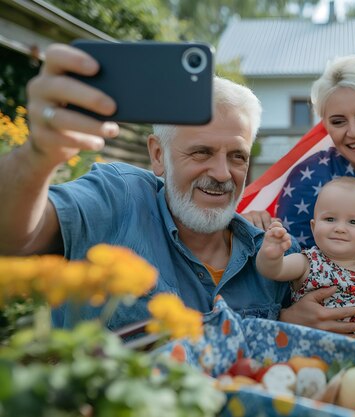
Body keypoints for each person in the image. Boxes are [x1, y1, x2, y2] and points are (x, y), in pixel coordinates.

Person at [0, 43, 304, 330]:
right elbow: (13, 239)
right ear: (158, 155)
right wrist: (37, 156)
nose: (223, 174)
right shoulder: (118, 198)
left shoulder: (274, 259)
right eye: (202, 152)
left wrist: (287, 325)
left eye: (237, 156)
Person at [242, 55, 355, 346]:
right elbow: (284, 271)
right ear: (325, 125)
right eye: (338, 121)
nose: (353, 131)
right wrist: (286, 316)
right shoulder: (311, 178)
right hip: (316, 342)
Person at [256, 177, 355, 350]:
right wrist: (271, 255)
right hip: (313, 358)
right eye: (330, 219)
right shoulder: (308, 262)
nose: (339, 228)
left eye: (353, 222)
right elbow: (273, 271)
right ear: (314, 227)